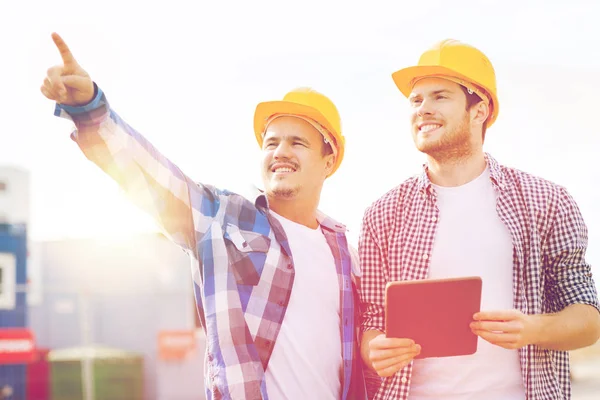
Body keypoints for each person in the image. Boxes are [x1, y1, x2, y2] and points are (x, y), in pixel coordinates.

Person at [40, 32, 366, 400]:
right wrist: (90, 108)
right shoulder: (224, 221)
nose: (280, 152)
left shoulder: (345, 253)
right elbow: (151, 174)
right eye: (271, 142)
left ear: (329, 161)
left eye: (298, 142)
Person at [358, 39, 600, 400]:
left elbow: (588, 319)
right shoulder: (383, 213)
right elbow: (371, 320)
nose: (423, 109)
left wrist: (534, 329)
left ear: (479, 109)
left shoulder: (546, 201)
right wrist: (373, 348)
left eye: (439, 96)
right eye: (416, 100)